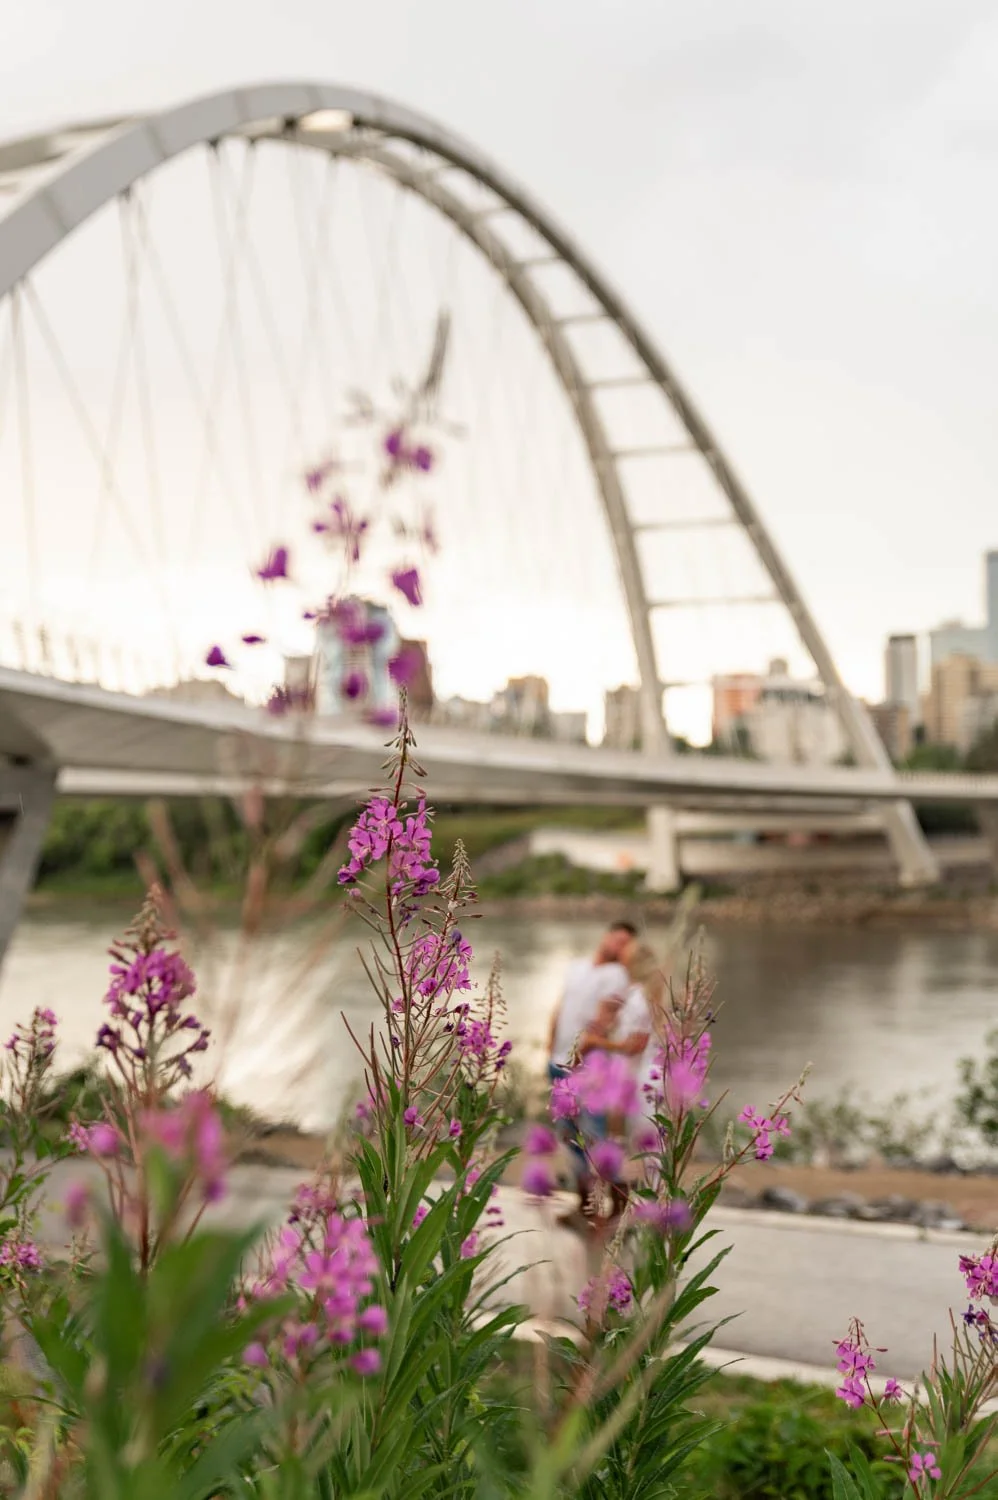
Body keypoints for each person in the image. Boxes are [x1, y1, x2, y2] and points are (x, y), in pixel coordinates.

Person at [546, 922, 639, 1225]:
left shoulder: (616, 975)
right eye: (617, 938)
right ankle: (586, 1205)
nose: (618, 946)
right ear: (605, 934)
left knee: (593, 1135)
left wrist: (578, 1057)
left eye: (626, 944)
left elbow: (601, 1023)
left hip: (587, 1065)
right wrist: (550, 1050)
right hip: (559, 1060)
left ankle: (609, 1205)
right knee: (569, 1134)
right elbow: (560, 1008)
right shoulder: (576, 966)